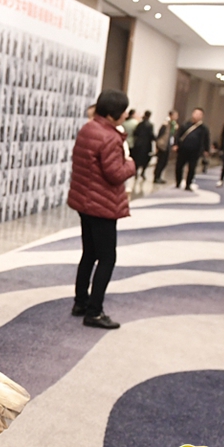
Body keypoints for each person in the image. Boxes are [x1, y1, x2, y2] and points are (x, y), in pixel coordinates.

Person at [68, 89, 136, 330]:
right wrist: (131, 164)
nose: (126, 114)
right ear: (112, 113)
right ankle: (94, 312)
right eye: (124, 111)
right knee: (107, 258)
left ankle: (80, 303)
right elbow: (116, 174)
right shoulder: (109, 137)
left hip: (85, 202)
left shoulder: (88, 129)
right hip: (102, 205)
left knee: (89, 254)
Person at [174, 107, 210, 190]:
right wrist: (176, 144)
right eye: (195, 113)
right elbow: (178, 135)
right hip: (183, 150)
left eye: (199, 114)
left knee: (192, 168)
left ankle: (188, 184)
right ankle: (178, 182)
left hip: (195, 151)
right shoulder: (185, 125)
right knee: (179, 166)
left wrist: (206, 150)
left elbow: (206, 139)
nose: (196, 115)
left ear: (202, 116)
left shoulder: (204, 128)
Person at [153, 110, 178, 184]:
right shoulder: (166, 124)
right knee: (160, 162)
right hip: (162, 145)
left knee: (164, 162)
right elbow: (160, 135)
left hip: (168, 146)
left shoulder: (173, 125)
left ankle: (159, 176)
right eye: (175, 115)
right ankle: (156, 177)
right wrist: (157, 146)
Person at [131, 110, 155, 179]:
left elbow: (135, 133)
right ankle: (143, 172)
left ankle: (136, 171)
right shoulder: (150, 125)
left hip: (138, 144)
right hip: (146, 145)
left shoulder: (140, 124)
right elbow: (151, 135)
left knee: (137, 158)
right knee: (146, 159)